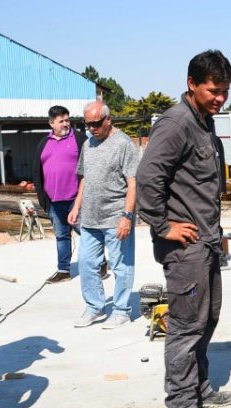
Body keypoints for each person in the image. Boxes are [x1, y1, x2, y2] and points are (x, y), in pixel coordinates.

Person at [137, 50, 231, 408]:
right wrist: (163, 227)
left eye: (225, 91)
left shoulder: (205, 121)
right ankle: (180, 406)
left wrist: (218, 231)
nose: (220, 98)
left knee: (207, 318)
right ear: (191, 84)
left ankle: (199, 387)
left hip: (207, 239)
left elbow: (203, 186)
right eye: (214, 90)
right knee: (185, 325)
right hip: (185, 246)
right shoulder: (175, 124)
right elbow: (148, 178)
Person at [68, 101, 138, 329]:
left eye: (96, 124)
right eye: (87, 124)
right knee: (87, 263)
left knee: (121, 266)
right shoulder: (88, 145)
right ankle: (94, 307)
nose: (92, 128)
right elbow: (84, 178)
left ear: (108, 119)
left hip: (115, 216)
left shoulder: (124, 144)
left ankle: (121, 310)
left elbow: (133, 182)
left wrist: (127, 216)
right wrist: (77, 206)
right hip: (90, 217)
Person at [33, 105, 87, 283]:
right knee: (62, 236)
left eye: (67, 119)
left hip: (77, 199)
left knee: (87, 233)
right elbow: (37, 171)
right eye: (61, 121)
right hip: (54, 200)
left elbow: (89, 167)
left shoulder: (79, 138)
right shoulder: (43, 143)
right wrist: (43, 199)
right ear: (51, 124)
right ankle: (63, 270)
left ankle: (99, 263)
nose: (65, 124)